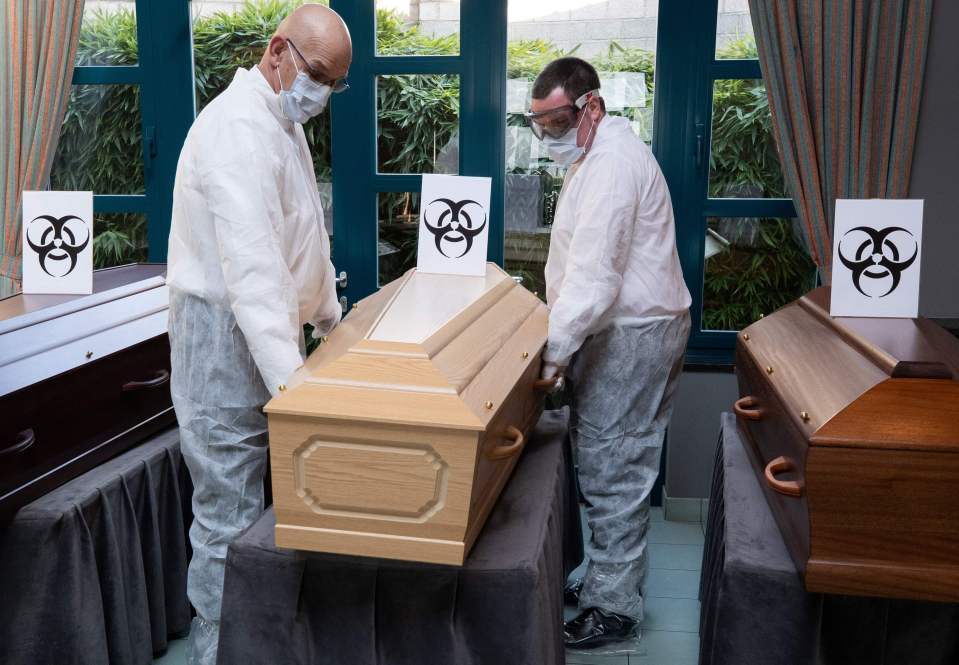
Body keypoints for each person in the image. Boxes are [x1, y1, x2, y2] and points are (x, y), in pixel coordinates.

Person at [165, 5, 351, 663]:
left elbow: (301, 239)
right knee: (226, 514)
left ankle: (253, 640)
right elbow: (252, 272)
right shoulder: (234, 128)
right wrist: (296, 389)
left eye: (335, 83)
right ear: (278, 51)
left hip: (260, 329)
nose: (323, 93)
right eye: (319, 74)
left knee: (255, 511)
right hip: (219, 338)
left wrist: (334, 321)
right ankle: (217, 650)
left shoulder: (281, 119)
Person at [525, 57, 692, 649]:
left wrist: (554, 356)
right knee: (610, 460)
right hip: (631, 330)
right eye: (539, 125)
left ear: (591, 106)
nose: (549, 137)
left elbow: (595, 277)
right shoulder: (596, 156)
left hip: (633, 335)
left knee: (614, 468)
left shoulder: (614, 165)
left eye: (558, 122)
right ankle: (606, 579)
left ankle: (614, 607)